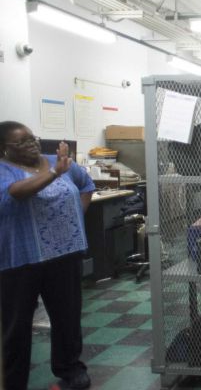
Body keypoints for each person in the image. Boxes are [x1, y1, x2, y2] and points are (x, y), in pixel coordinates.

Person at [0, 121, 94, 390]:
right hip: (22, 258)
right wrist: (54, 172)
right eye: (21, 142)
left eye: (33, 138)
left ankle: (71, 370)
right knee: (16, 324)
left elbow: (86, 185)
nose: (31, 144)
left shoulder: (59, 160)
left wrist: (76, 218)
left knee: (67, 316)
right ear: (3, 148)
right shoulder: (4, 170)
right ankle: (13, 380)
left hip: (64, 253)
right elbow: (16, 193)